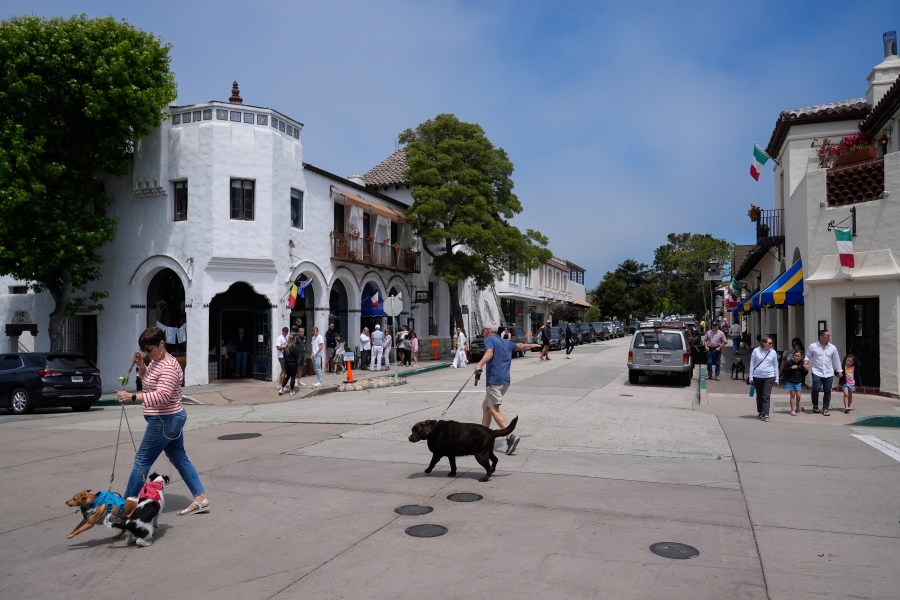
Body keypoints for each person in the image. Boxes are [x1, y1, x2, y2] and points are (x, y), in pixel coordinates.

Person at [114, 326, 209, 516]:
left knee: (141, 461)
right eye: (144, 351)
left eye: (150, 349)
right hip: (169, 419)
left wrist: (132, 397)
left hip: (165, 419)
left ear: (161, 344)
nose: (147, 353)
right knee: (178, 457)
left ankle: (126, 509)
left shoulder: (169, 366)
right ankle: (200, 498)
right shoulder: (157, 361)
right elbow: (149, 380)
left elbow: (162, 395)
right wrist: (142, 366)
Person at [473, 325, 540, 455]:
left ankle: (510, 436)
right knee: (486, 407)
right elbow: (520, 346)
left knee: (494, 409)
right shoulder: (505, 342)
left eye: (483, 330)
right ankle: (483, 438)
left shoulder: (489, 340)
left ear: (487, 330)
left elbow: (489, 352)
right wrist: (532, 345)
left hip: (494, 380)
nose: (482, 332)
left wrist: (479, 364)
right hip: (505, 381)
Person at [804, 330, 843, 416]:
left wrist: (839, 371)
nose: (829, 337)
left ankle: (825, 408)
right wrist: (806, 363)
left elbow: (836, 360)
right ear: (821, 337)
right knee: (816, 388)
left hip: (829, 372)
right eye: (827, 336)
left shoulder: (832, 347)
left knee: (828, 390)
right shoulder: (813, 346)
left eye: (829, 336)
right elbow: (807, 356)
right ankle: (815, 405)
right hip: (817, 371)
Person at [749, 336, 779, 422]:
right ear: (764, 343)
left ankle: (766, 414)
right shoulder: (756, 351)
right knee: (759, 395)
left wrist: (777, 378)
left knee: (766, 396)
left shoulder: (773, 352)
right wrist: (751, 377)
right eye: (769, 343)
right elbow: (752, 364)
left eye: (771, 343)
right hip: (757, 376)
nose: (771, 344)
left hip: (769, 376)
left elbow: (775, 365)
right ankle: (760, 411)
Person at [781, 348, 807, 416]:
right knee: (792, 395)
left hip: (798, 381)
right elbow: (785, 371)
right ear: (793, 355)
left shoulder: (802, 363)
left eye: (798, 356)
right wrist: (791, 368)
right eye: (796, 356)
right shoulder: (789, 362)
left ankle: (798, 406)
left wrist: (806, 369)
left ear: (801, 357)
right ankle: (792, 410)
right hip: (790, 381)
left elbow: (804, 374)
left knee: (798, 396)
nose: (797, 357)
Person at [275, 326, 289, 390]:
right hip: (281, 356)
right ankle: (280, 385)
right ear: (282, 331)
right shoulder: (279, 338)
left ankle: (281, 384)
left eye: (287, 332)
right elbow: (277, 347)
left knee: (284, 371)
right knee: (284, 371)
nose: (286, 333)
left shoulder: (285, 338)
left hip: (285, 356)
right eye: (285, 332)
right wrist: (285, 346)